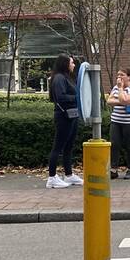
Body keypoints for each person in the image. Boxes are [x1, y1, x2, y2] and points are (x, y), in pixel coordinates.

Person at [46, 54, 83, 189]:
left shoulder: (67, 77)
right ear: (65, 64)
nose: (73, 65)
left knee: (68, 146)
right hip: (63, 116)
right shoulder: (59, 78)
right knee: (58, 147)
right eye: (71, 63)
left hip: (72, 115)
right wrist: (77, 98)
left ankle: (69, 174)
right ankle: (52, 177)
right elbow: (61, 97)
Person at [107, 67, 130, 180]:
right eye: (118, 75)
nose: (119, 78)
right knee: (114, 144)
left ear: (129, 76)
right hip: (116, 121)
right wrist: (121, 102)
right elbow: (109, 101)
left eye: (122, 75)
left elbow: (127, 100)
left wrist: (121, 89)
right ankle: (113, 169)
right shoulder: (115, 88)